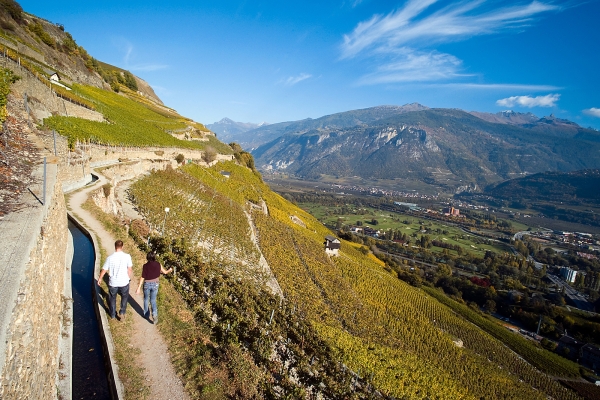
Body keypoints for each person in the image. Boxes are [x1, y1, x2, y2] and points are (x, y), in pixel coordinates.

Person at [98, 240, 133, 320]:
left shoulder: (110, 258)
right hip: (124, 282)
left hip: (113, 282)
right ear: (122, 247)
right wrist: (127, 277)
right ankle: (122, 312)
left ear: (115, 247)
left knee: (112, 298)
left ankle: (113, 314)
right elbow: (130, 269)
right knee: (124, 297)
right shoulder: (127, 256)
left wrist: (100, 278)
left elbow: (104, 270)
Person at [136, 251, 172, 324]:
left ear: (147, 257)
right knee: (153, 300)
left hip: (147, 284)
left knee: (146, 299)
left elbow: (143, 277)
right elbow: (165, 272)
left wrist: (138, 288)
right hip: (155, 284)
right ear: (154, 257)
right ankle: (155, 315)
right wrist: (170, 270)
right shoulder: (158, 264)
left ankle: (146, 314)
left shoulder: (145, 266)